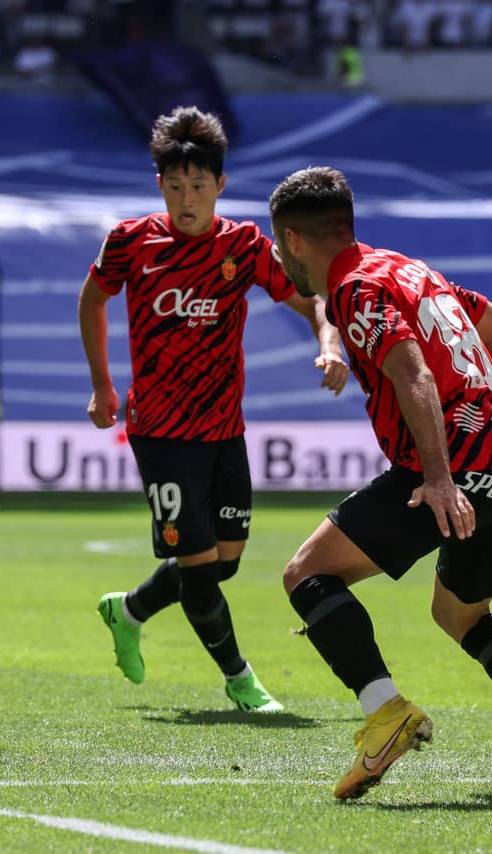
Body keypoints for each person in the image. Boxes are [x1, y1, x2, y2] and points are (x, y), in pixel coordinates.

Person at [267, 165, 492, 799]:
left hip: (453, 472)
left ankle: (386, 714)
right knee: (460, 615)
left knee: (306, 573)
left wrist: (439, 478)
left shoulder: (352, 287)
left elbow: (415, 376)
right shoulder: (408, 270)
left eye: (278, 243)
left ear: (293, 239)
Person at [79, 106, 348, 711]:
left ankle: (129, 610)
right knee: (199, 572)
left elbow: (313, 298)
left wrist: (330, 344)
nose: (187, 199)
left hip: (225, 428)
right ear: (160, 185)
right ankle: (241, 681)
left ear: (220, 184)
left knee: (223, 564)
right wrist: (103, 385)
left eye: (198, 186)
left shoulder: (244, 246)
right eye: (175, 186)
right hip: (161, 430)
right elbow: (92, 299)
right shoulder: (130, 241)